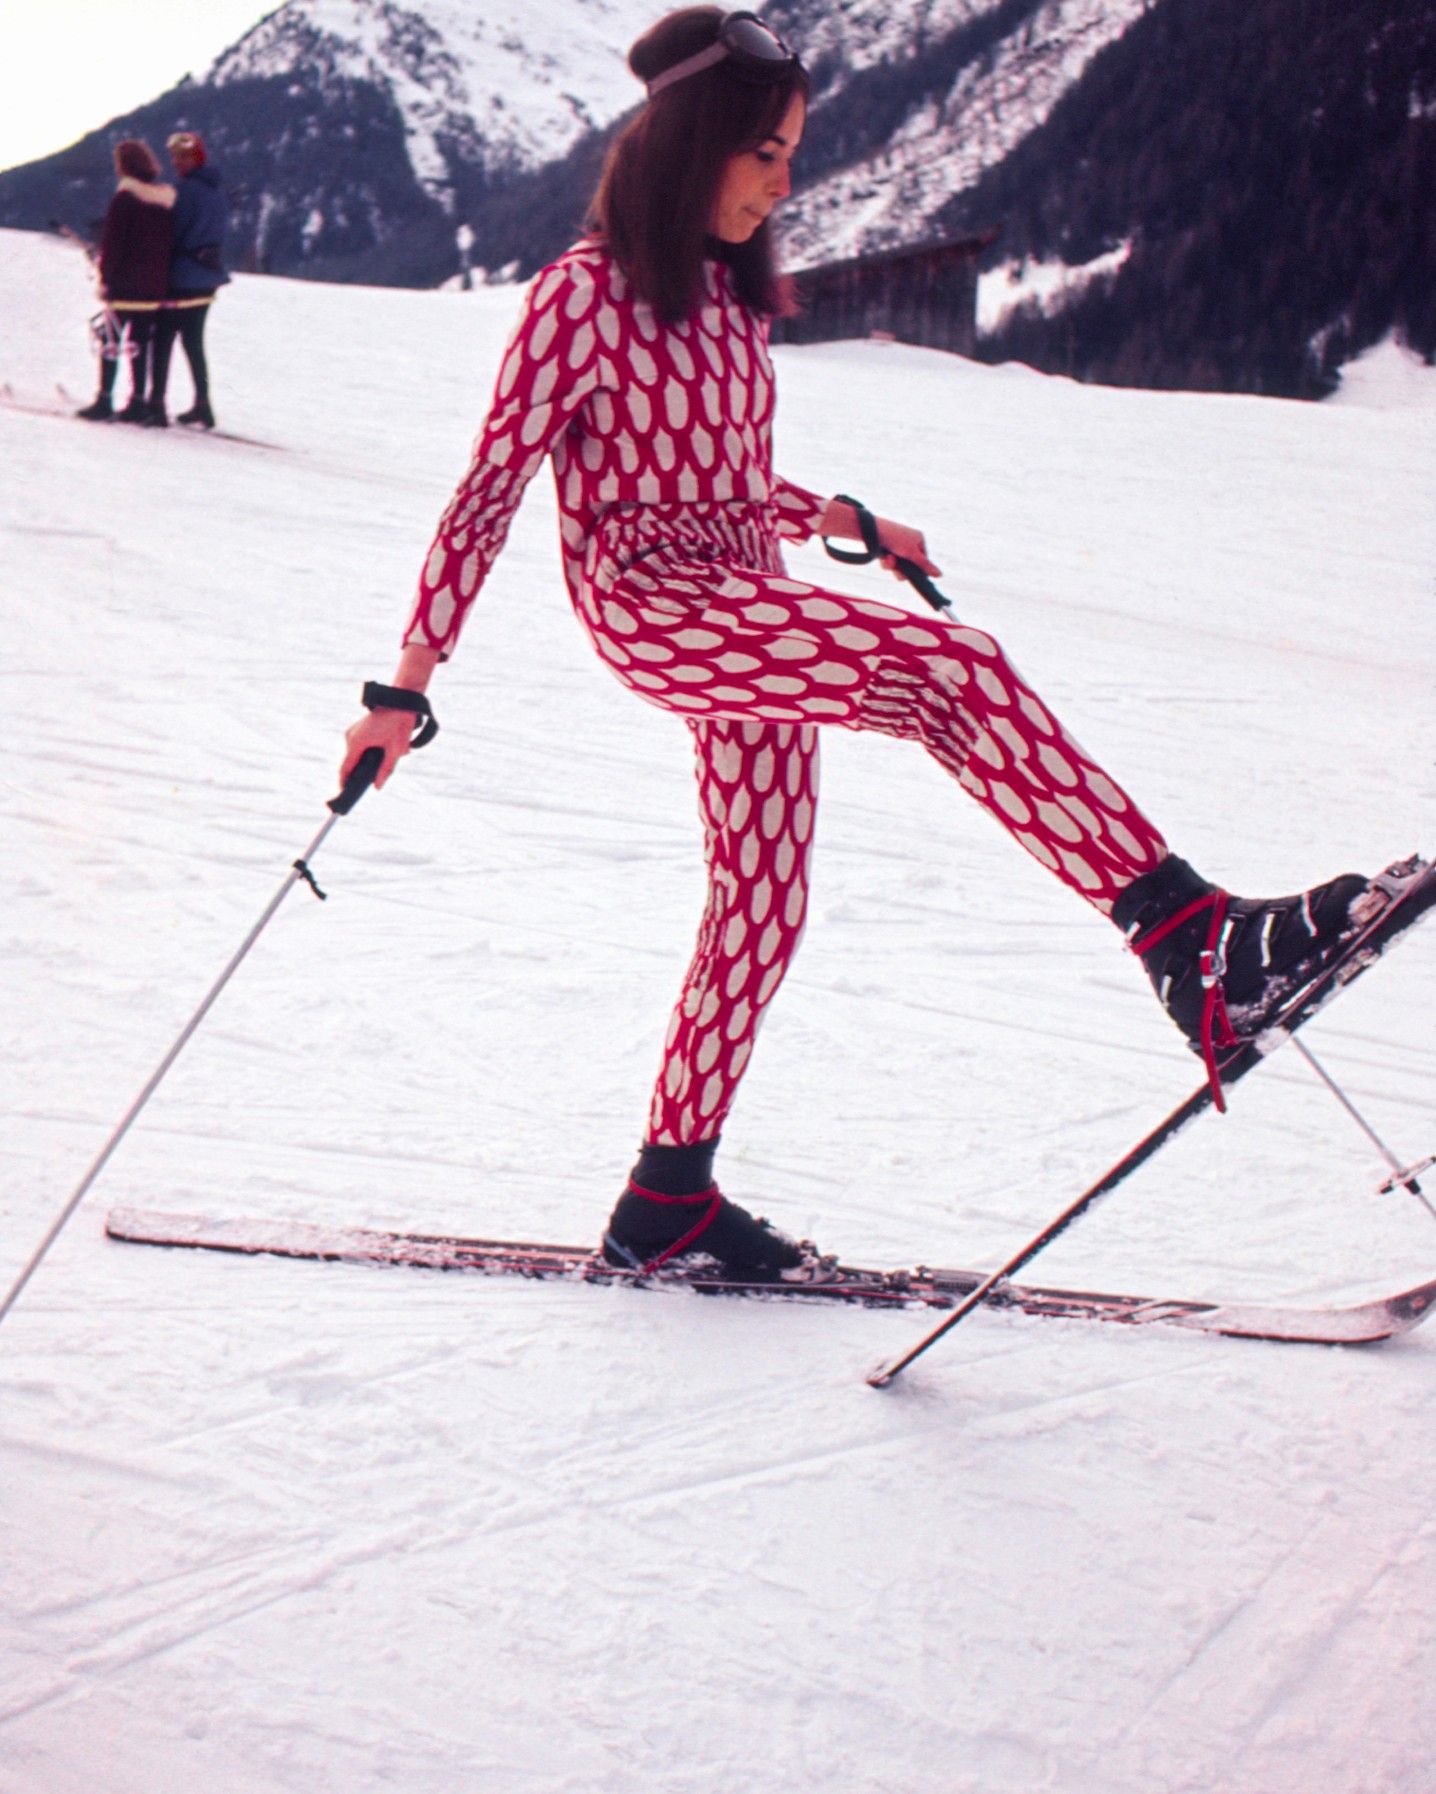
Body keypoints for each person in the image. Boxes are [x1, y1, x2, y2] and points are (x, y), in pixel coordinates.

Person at [339, 7, 1369, 1280]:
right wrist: (404, 684)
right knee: (954, 672)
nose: (784, 180)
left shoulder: (723, 300)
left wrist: (842, 519)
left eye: (787, 153)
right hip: (657, 608)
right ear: (688, 148)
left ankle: (667, 1198)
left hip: (744, 593)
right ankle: (1189, 944)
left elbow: (721, 474)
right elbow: (491, 488)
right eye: (762, 153)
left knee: (759, 908)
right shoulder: (580, 297)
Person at [75, 141, 174, 423]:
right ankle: (138, 400)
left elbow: (114, 244)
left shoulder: (125, 199)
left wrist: (106, 278)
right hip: (153, 286)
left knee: (110, 339)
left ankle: (104, 399)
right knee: (139, 342)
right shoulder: (164, 202)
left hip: (125, 286)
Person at [146, 130, 230, 429]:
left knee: (163, 339)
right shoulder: (216, 191)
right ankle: (202, 403)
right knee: (193, 341)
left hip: (181, 277)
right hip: (207, 277)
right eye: (174, 156)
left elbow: (171, 234)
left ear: (196, 158)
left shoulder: (185, 191)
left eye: (183, 156)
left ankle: (155, 403)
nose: (177, 162)